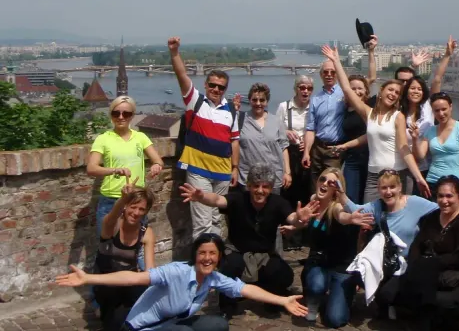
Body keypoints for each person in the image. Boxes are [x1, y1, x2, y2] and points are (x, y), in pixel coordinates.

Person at [56, 233, 307, 330]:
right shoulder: (176, 271)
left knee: (218, 325)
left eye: (212, 254)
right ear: (195, 255)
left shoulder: (214, 278)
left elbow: (246, 289)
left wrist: (282, 299)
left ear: (219, 259)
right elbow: (134, 277)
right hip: (142, 328)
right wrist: (88, 277)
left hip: (173, 323)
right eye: (202, 253)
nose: (207, 258)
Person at [179, 165, 318, 320]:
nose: (260, 190)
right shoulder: (238, 198)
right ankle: (227, 307)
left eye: (265, 187)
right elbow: (218, 199)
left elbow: (292, 219)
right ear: (249, 186)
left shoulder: (278, 202)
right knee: (229, 267)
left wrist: (300, 218)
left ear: (271, 188)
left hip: (264, 254)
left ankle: (269, 300)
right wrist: (202, 197)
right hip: (237, 250)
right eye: (256, 186)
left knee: (283, 274)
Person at [321, 45, 427, 201]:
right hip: (374, 176)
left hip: (396, 174)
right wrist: (336, 61)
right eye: (390, 90)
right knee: (369, 219)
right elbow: (347, 90)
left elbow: (404, 149)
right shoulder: (369, 114)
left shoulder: (398, 117)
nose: (393, 94)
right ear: (382, 90)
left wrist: (418, 177)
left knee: (395, 220)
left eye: (397, 93)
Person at [340, 170, 439, 317]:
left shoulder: (414, 203)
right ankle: (386, 301)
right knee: (359, 275)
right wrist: (340, 193)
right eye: (384, 188)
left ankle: (399, 304)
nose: (388, 192)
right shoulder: (377, 206)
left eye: (392, 187)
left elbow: (443, 207)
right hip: (387, 262)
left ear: (399, 187)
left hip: (409, 262)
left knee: (391, 294)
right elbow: (355, 209)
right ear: (379, 189)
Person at [168, 37, 240, 239]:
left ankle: (214, 261)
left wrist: (235, 167)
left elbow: (234, 140)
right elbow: (181, 75)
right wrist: (175, 53)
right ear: (206, 85)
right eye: (212, 85)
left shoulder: (231, 112)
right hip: (199, 171)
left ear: (225, 89)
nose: (216, 89)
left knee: (216, 219)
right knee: (202, 221)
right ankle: (202, 265)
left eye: (221, 87)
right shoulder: (195, 102)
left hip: (223, 173)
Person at [392, 176, 459, 330]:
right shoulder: (433, 217)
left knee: (430, 297)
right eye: (440, 196)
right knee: (390, 291)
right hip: (427, 270)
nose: (444, 200)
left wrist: (429, 264)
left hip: (455, 276)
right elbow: (417, 244)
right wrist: (415, 263)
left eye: (449, 196)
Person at [300, 168, 375, 327]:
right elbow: (301, 220)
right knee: (316, 285)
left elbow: (341, 216)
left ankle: (342, 294)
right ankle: (314, 299)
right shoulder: (313, 201)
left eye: (331, 182)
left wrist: (351, 218)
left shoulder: (336, 207)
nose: (325, 184)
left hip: (341, 267)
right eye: (322, 179)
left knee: (335, 319)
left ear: (337, 189)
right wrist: (293, 225)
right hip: (319, 262)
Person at [87, 95, 164, 237]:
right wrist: (114, 170)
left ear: (132, 116)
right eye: (116, 113)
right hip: (111, 199)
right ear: (111, 115)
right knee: (107, 245)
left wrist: (156, 166)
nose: (121, 117)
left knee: (136, 247)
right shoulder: (103, 139)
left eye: (126, 114)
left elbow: (158, 161)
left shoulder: (140, 137)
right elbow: (91, 168)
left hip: (135, 200)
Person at [93, 179, 156, 330]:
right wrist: (122, 198)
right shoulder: (112, 225)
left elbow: (150, 270)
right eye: (133, 207)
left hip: (129, 281)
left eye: (141, 209)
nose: (136, 213)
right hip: (106, 283)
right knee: (112, 322)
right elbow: (112, 216)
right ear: (126, 206)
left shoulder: (146, 233)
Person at [400, 36, 456, 194]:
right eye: (412, 89)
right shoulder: (399, 111)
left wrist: (447, 55)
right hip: (403, 167)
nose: (415, 91)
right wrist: (412, 66)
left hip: (426, 168)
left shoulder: (428, 107)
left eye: (419, 89)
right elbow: (396, 87)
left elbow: (437, 80)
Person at [302, 57, 347, 190]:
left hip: (334, 149)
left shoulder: (345, 94)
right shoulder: (315, 98)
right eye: (325, 72)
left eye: (332, 72)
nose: (329, 75)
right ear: (321, 75)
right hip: (317, 148)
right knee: (315, 185)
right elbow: (310, 128)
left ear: (337, 74)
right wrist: (306, 152)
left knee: (332, 186)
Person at [236, 83, 291, 192]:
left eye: (262, 100)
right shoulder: (240, 119)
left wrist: (287, 172)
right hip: (248, 178)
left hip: (273, 178)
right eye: (254, 100)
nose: (258, 103)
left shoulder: (276, 121)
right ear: (249, 100)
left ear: (267, 101)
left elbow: (283, 148)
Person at [275, 75, 313, 217]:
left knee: (307, 192)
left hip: (307, 153)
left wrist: (308, 143)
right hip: (289, 154)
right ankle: (288, 222)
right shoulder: (284, 107)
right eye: (302, 87)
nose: (305, 91)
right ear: (296, 89)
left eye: (309, 88)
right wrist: (286, 131)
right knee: (289, 190)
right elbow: (275, 130)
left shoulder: (313, 107)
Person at [333, 74, 372, 204]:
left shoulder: (371, 106)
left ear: (366, 90)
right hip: (352, 160)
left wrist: (371, 53)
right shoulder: (344, 109)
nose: (357, 92)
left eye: (360, 88)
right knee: (350, 198)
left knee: (368, 198)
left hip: (371, 159)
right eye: (353, 88)